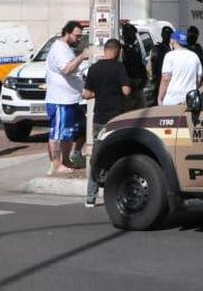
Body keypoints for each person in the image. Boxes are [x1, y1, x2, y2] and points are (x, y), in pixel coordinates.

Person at [84, 38, 132, 208]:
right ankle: (116, 192)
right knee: (118, 154)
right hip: (116, 118)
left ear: (105, 50)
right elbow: (126, 91)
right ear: (117, 51)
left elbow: (86, 94)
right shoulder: (119, 67)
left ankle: (90, 197)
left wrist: (100, 93)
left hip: (99, 118)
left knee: (97, 157)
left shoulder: (94, 69)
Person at [46, 21, 88, 176]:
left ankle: (66, 160)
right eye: (76, 36)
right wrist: (82, 56)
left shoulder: (66, 49)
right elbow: (67, 69)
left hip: (70, 99)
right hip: (59, 100)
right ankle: (56, 164)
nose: (78, 39)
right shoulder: (59, 48)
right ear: (67, 33)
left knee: (68, 132)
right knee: (57, 132)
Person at [158, 29, 203, 106]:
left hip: (172, 99)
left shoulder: (169, 56)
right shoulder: (194, 56)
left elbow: (166, 79)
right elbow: (198, 79)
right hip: (189, 101)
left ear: (173, 41)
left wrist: (160, 98)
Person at [119, 22, 148, 109]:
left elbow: (141, 65)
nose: (134, 37)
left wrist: (144, 79)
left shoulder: (135, 48)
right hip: (129, 85)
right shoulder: (122, 50)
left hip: (138, 85)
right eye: (132, 34)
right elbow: (122, 68)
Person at [149, 25, 173, 105]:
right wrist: (154, 77)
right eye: (166, 34)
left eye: (168, 34)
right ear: (162, 35)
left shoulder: (172, 49)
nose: (167, 37)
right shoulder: (157, 48)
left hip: (170, 80)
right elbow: (152, 63)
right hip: (159, 79)